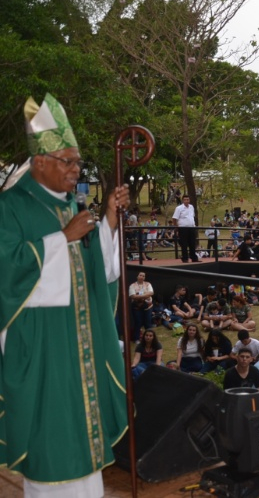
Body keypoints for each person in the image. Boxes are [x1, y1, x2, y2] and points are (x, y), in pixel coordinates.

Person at [0, 94, 132, 496]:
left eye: (78, 162)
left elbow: (95, 274)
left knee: (85, 453)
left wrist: (108, 219)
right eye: (68, 161)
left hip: (80, 347)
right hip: (42, 347)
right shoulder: (10, 206)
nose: (77, 170)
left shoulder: (68, 205)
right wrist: (62, 238)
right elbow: (7, 269)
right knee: (52, 447)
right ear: (40, 162)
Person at [223, 347, 259, 430]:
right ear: (237, 357)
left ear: (251, 359)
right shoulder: (230, 374)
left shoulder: (254, 371)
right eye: (242, 356)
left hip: (253, 401)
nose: (244, 359)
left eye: (247, 357)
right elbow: (227, 395)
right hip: (237, 405)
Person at [172, 194, 200, 263]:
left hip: (191, 227)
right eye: (185, 200)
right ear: (182, 200)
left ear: (189, 200)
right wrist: (176, 227)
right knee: (184, 243)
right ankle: (185, 258)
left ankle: (193, 257)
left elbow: (192, 216)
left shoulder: (191, 207)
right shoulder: (179, 208)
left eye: (188, 199)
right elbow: (174, 218)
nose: (186, 201)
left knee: (192, 243)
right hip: (183, 228)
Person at [128, 271, 154, 339]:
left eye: (143, 276)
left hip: (148, 307)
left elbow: (151, 293)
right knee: (138, 323)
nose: (142, 277)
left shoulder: (148, 284)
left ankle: (150, 338)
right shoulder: (132, 285)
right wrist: (145, 296)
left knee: (148, 323)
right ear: (137, 276)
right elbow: (133, 296)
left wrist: (139, 296)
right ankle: (136, 338)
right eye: (140, 275)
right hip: (137, 307)